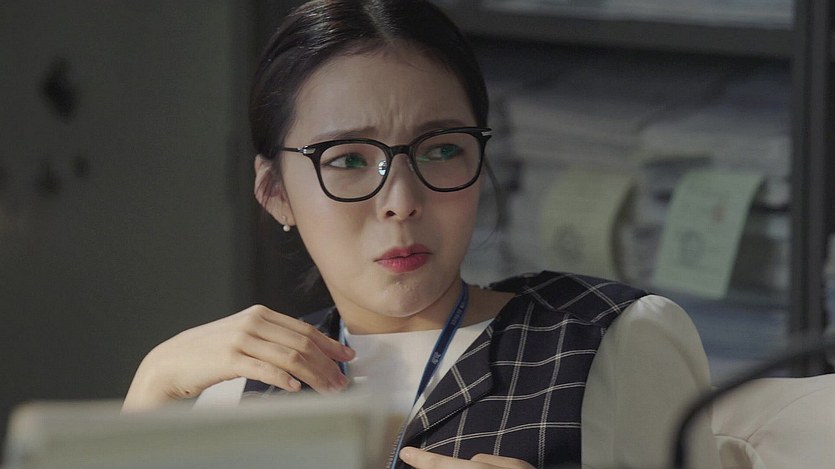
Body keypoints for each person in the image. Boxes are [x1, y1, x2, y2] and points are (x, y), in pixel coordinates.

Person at [123, 1, 721, 468]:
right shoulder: (235, 391)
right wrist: (151, 388)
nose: (402, 202)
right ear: (275, 191)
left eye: (440, 149)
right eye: (348, 159)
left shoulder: (609, 339)